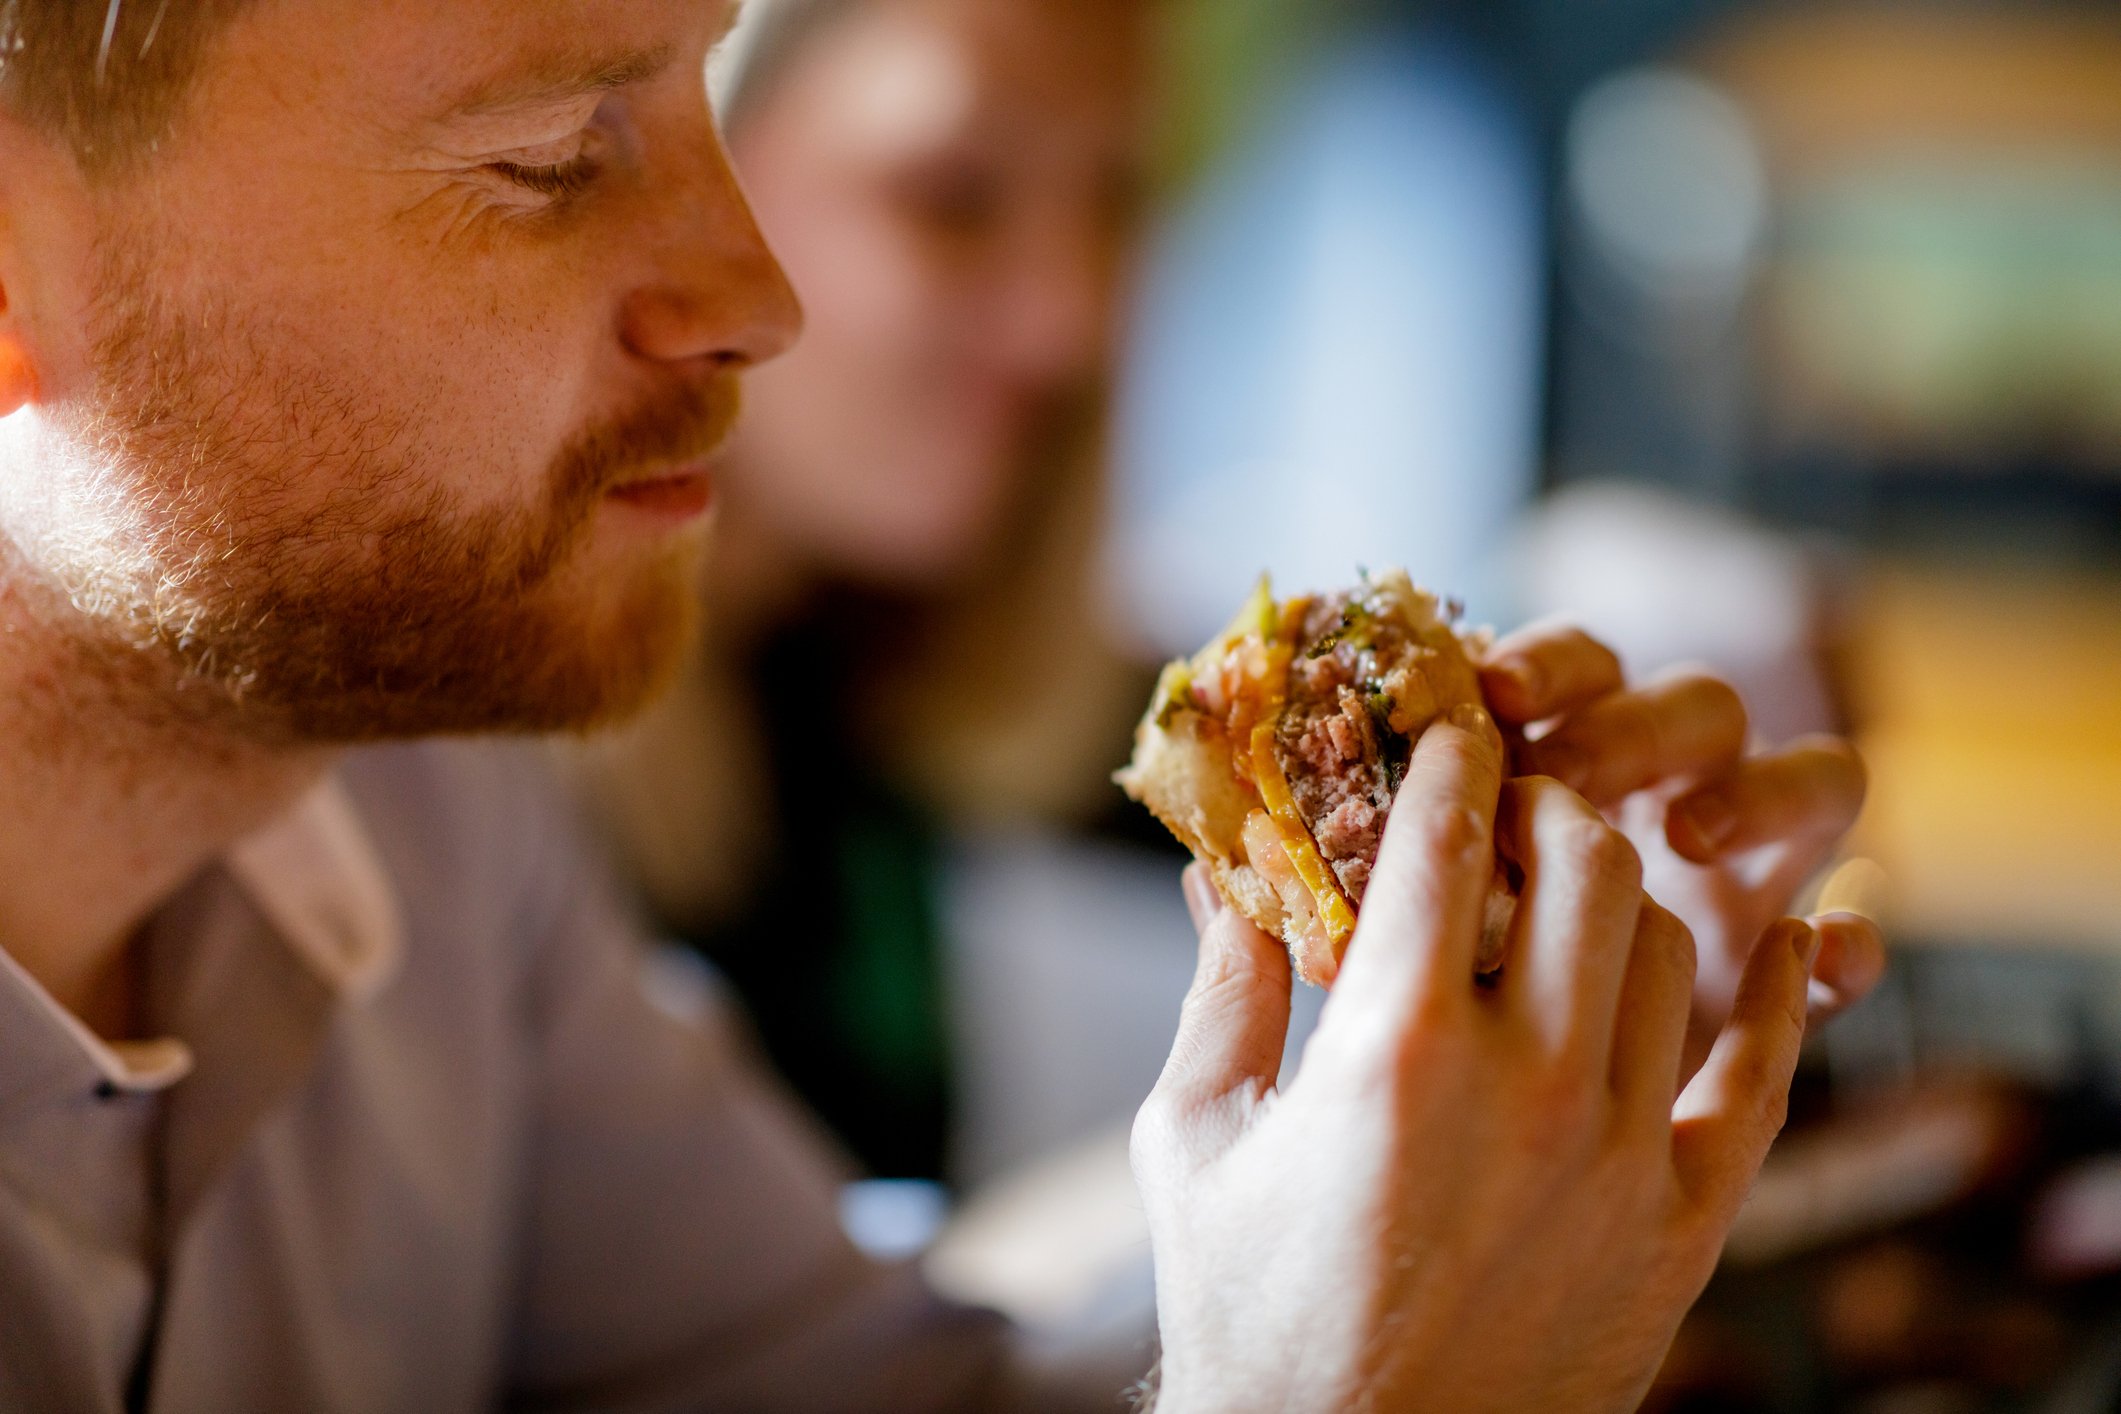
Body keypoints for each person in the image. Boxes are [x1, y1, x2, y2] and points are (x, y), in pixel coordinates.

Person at [0, 0, 1879, 1410]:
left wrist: (1506, 1104)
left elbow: (904, 1392)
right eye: (554, 151)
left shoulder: (423, 828)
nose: (757, 295)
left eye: (698, 97)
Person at [565, 0, 1154, 1182]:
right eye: (953, 197)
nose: (1068, 322)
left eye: (1113, 204)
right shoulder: (436, 797)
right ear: (675, 162)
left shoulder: (871, 686)